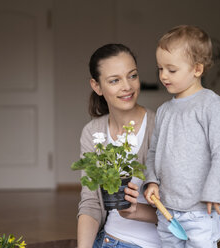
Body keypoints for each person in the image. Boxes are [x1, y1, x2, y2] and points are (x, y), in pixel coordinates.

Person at [143, 25, 220, 247]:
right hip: (167, 209)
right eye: (160, 69)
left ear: (197, 69)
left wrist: (215, 190)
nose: (163, 76)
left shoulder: (210, 104)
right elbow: (154, 151)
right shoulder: (164, 110)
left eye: (171, 70)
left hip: (200, 211)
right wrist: (152, 180)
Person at [77, 43, 161, 248]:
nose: (127, 86)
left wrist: (135, 211)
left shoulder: (159, 126)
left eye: (132, 76)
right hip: (108, 241)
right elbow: (91, 203)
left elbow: (184, 211)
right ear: (97, 86)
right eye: (115, 80)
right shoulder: (92, 132)